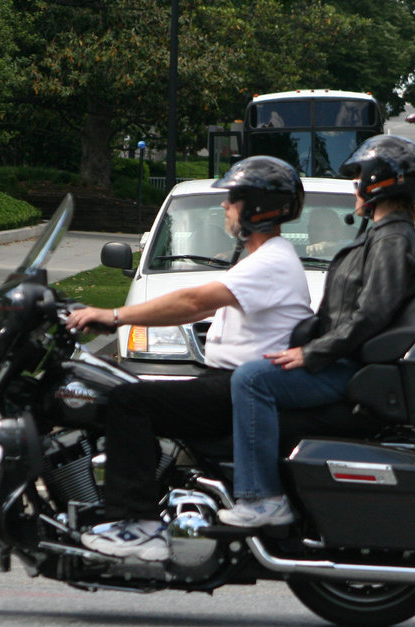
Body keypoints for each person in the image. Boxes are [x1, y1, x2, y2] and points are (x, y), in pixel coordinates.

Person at [65, 156, 311, 560]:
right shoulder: (263, 259)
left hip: (234, 387)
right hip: (229, 381)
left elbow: (193, 300)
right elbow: (199, 309)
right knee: (120, 385)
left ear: (257, 207)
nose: (224, 206)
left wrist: (113, 316)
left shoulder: (271, 261)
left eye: (232, 198)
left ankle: (135, 523)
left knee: (130, 401)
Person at [220, 134, 415, 528]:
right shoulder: (384, 236)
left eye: (358, 180)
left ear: (377, 183)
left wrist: (311, 353)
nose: (355, 189)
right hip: (343, 359)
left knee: (251, 380)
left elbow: (371, 314)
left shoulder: (391, 239)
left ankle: (261, 498)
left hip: (345, 366)